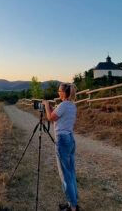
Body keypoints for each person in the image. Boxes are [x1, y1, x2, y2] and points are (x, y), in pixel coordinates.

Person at [43, 83, 79, 211]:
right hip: (70, 138)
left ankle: (73, 207)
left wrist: (47, 106)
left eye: (59, 91)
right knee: (71, 171)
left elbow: (50, 117)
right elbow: (56, 118)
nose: (58, 93)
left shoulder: (63, 105)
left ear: (64, 93)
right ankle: (73, 202)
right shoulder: (71, 106)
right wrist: (52, 109)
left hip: (62, 140)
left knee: (65, 174)